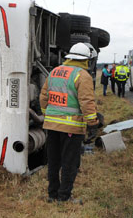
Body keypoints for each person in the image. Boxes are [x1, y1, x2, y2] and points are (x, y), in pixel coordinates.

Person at [40, 42, 99, 203]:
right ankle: (64, 197)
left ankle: (52, 194)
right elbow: (86, 102)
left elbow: (43, 97)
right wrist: (92, 124)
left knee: (53, 161)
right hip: (71, 128)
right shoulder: (82, 75)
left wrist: (49, 115)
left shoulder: (54, 72)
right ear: (86, 60)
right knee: (69, 163)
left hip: (51, 126)